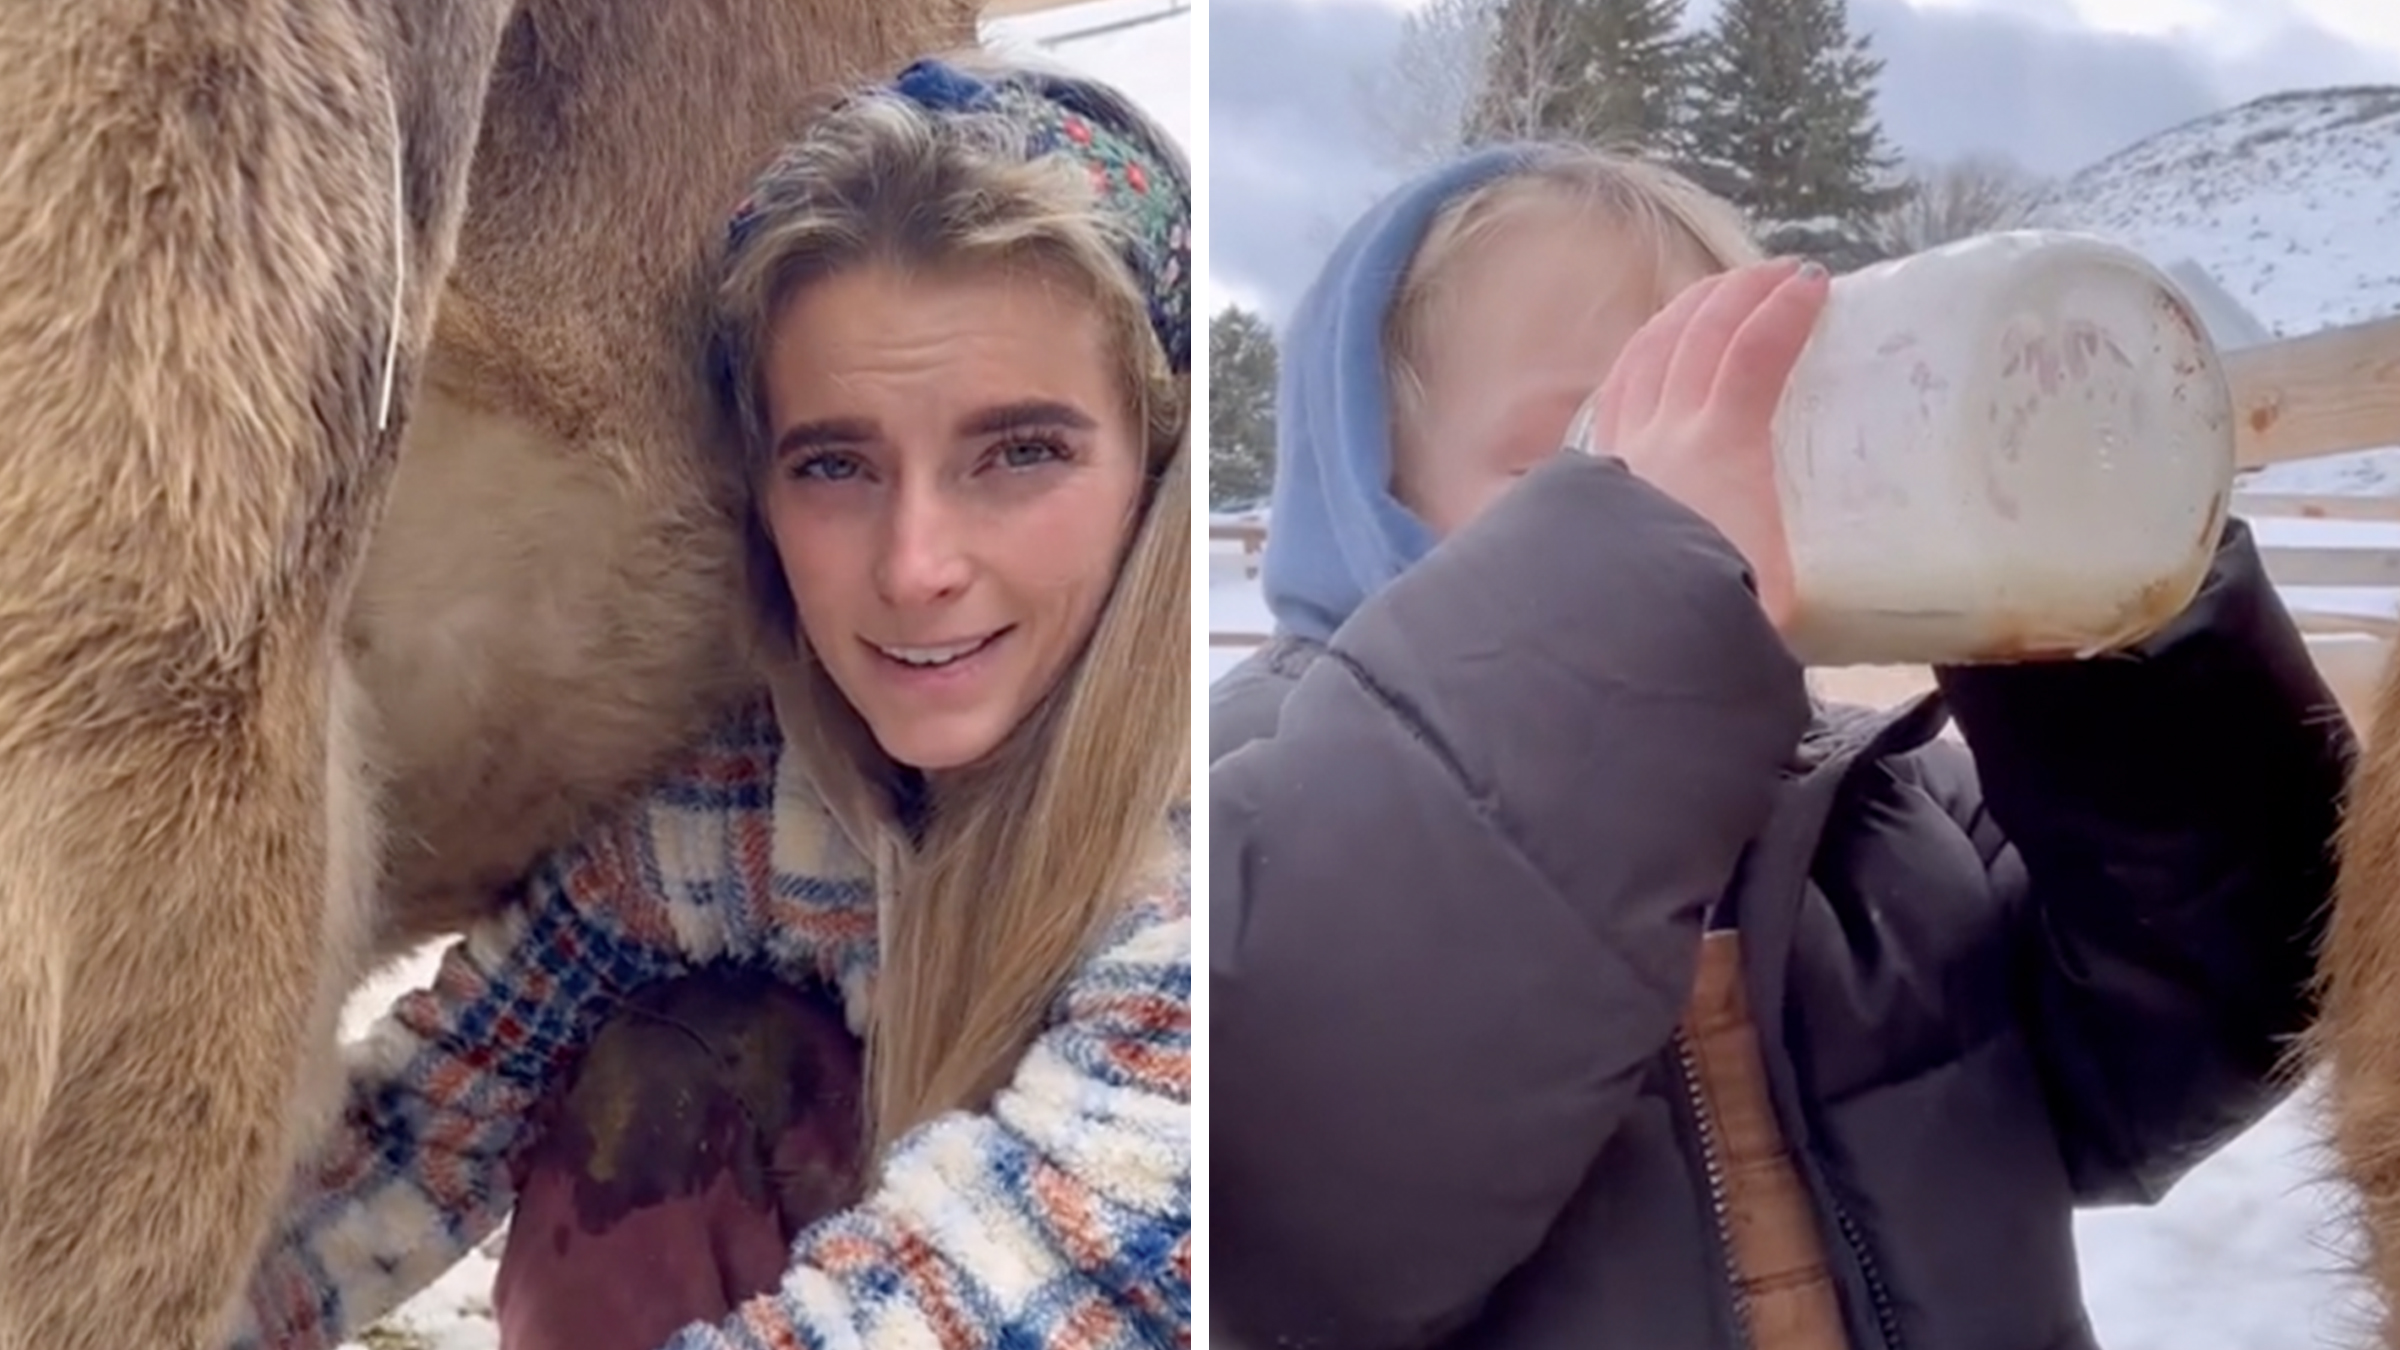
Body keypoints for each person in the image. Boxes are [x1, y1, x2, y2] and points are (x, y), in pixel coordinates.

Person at [1210, 143, 2352, 1350]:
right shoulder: (1251, 801)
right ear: (1365, 492)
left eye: (1753, 438)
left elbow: (2204, 1024)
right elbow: (1290, 1214)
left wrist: (2110, 642)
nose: (1701, 514)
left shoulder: (1883, 804)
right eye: (1586, 465)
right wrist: (1618, 601)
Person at [228, 51, 1191, 1350]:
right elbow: (434, 1114)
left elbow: (1041, 1283)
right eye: (835, 464)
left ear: (1157, 468)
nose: (915, 567)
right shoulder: (765, 809)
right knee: (669, 1061)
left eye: (1021, 452)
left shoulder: (1215, 880)